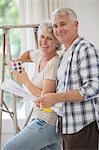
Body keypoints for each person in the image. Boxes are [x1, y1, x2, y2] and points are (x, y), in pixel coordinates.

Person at [37, 8, 99, 150]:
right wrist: (48, 100)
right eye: (55, 26)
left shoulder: (85, 49)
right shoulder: (65, 53)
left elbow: (94, 87)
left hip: (82, 126)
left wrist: (57, 97)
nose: (58, 29)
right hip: (67, 125)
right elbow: (64, 89)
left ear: (75, 25)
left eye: (63, 24)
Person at [3, 22, 61, 150]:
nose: (44, 41)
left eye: (49, 38)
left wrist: (25, 81)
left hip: (46, 121)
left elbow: (44, 98)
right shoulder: (40, 54)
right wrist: (18, 60)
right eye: (42, 37)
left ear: (57, 43)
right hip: (40, 118)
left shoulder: (54, 63)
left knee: (9, 148)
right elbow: (29, 54)